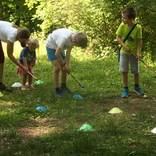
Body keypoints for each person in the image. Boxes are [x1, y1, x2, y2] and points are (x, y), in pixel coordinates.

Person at [46, 28, 87, 98]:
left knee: (64, 68)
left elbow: (68, 52)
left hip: (60, 48)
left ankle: (64, 86)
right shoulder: (64, 38)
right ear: (73, 41)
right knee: (57, 68)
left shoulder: (75, 37)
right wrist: (63, 64)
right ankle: (57, 90)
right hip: (52, 47)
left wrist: (67, 65)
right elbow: (57, 54)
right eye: (77, 45)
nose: (77, 46)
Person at [116, 7, 144, 98]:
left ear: (131, 19)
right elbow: (118, 37)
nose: (122, 19)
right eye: (122, 17)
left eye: (124, 18)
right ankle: (125, 89)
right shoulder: (122, 25)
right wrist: (124, 46)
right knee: (124, 71)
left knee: (135, 70)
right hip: (124, 52)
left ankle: (136, 87)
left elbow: (139, 41)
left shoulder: (138, 28)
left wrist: (138, 53)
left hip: (134, 53)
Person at [0, 21, 30, 92]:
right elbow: (10, 54)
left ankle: (0, 83)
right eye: (23, 40)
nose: (24, 42)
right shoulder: (12, 35)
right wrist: (22, 67)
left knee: (1, 59)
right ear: (19, 37)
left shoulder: (20, 32)